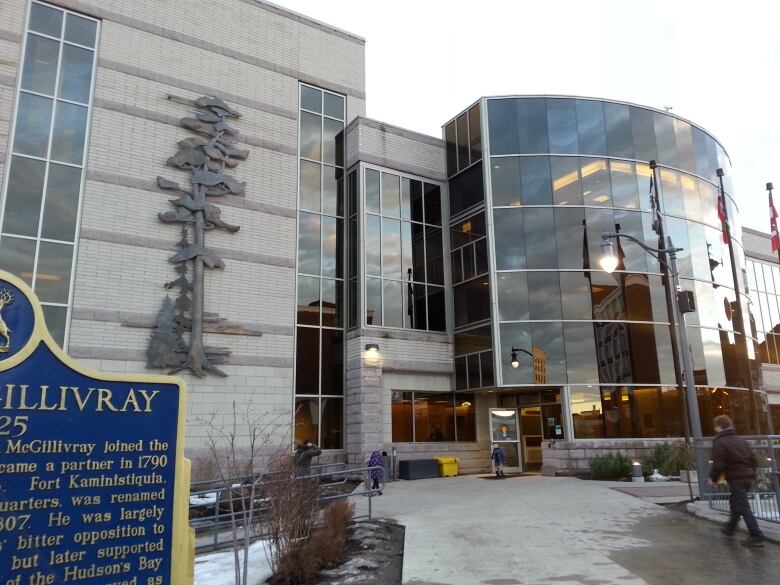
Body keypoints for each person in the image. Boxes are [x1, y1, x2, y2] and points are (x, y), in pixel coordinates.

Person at [709, 415, 765, 547]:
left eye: (715, 426)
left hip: (736, 478)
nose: (715, 429)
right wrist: (752, 473)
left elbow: (718, 465)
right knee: (736, 502)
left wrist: (713, 478)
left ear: (719, 427)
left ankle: (756, 536)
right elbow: (754, 459)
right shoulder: (740, 440)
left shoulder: (720, 442)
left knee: (743, 506)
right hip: (748, 476)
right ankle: (730, 529)